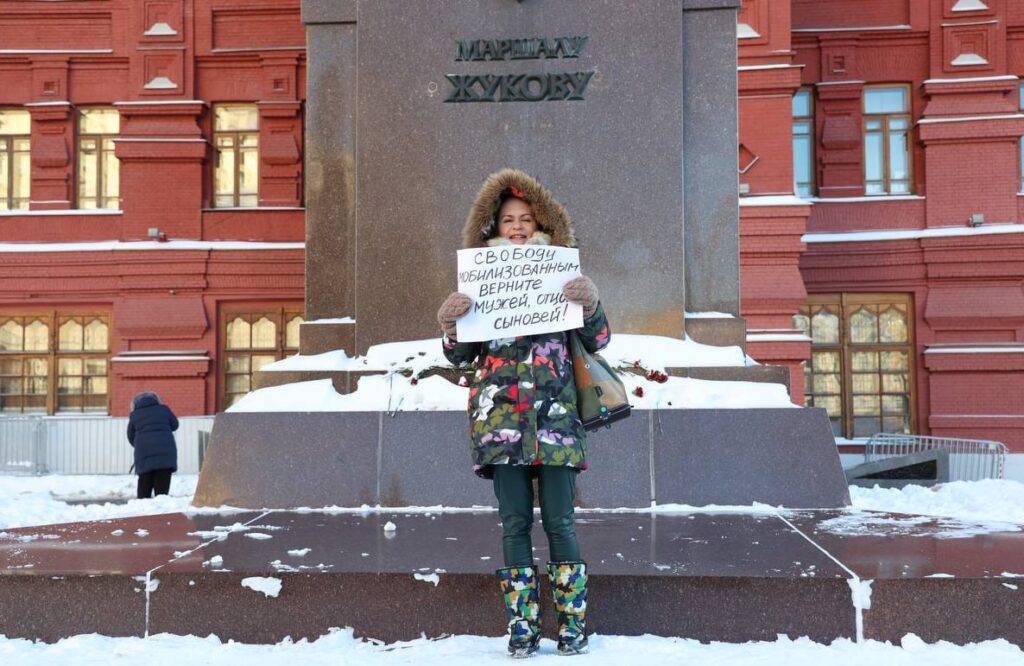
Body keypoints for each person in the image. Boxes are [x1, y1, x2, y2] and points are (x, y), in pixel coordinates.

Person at [437, 169, 610, 658]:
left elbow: (597, 341)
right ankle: (522, 627)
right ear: (492, 228)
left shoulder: (562, 277)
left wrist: (591, 304)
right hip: (502, 427)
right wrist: (451, 324)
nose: (516, 226)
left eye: (526, 219)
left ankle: (573, 625)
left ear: (543, 225)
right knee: (513, 524)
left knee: (561, 523)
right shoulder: (481, 281)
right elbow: (461, 356)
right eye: (508, 219)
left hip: (555, 424)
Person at [127, 391, 179, 499]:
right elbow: (175, 425)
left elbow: (130, 436)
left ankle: (143, 513)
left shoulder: (135, 415)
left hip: (144, 455)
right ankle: (160, 513)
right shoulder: (164, 410)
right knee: (161, 495)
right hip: (166, 454)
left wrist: (139, 445)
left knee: (143, 493)